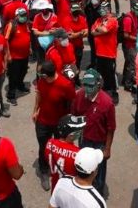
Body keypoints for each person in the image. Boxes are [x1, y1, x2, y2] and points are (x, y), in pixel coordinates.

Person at [32, 60, 76, 191]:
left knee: (61, 147)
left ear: (48, 75)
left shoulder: (66, 85)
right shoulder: (42, 82)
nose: (40, 77)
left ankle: (61, 170)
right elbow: (39, 95)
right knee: (43, 147)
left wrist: (70, 123)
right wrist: (35, 110)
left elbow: (72, 103)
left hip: (59, 123)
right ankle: (44, 171)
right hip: (43, 121)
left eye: (42, 75)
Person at [71, 68, 115, 196]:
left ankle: (98, 195)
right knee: (83, 170)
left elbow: (111, 128)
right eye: (85, 85)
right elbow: (74, 116)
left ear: (98, 84)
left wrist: (107, 148)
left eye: (90, 85)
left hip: (99, 144)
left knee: (99, 173)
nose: (87, 89)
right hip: (84, 140)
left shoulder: (107, 103)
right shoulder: (79, 95)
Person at [45, 114, 86, 190]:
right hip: (70, 189)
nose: (80, 133)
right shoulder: (77, 153)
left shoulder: (49, 143)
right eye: (78, 131)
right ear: (71, 135)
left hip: (55, 187)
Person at [89, 2, 119, 105]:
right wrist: (99, 31)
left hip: (109, 53)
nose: (101, 10)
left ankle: (114, 94)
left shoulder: (113, 20)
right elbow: (92, 32)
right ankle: (103, 93)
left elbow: (104, 30)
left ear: (108, 9)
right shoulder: (98, 20)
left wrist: (99, 30)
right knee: (101, 75)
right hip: (99, 53)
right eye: (100, 8)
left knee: (111, 75)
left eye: (103, 8)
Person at [4, 8, 31, 104]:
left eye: (24, 15)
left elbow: (28, 36)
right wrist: (8, 54)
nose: (23, 17)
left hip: (25, 55)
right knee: (13, 76)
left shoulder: (26, 24)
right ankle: (11, 95)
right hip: (14, 57)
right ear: (16, 16)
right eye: (21, 15)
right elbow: (6, 40)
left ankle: (20, 85)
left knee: (23, 72)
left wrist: (30, 48)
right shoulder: (12, 25)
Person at [120, 2, 138, 92]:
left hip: (132, 44)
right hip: (129, 45)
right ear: (132, 8)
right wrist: (137, 38)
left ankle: (125, 80)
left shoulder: (134, 16)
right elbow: (126, 35)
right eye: (137, 9)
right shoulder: (128, 19)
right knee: (132, 65)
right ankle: (128, 85)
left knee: (128, 63)